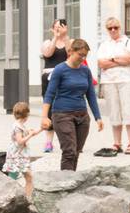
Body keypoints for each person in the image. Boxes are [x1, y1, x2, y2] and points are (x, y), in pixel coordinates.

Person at [41, 38, 103, 172]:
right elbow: (49, 94)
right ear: (71, 52)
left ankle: (71, 180)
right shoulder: (60, 70)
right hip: (62, 115)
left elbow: (91, 95)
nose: (83, 58)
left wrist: (98, 117)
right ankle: (65, 183)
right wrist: (44, 116)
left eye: (85, 55)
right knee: (69, 151)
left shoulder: (85, 70)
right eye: (80, 54)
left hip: (82, 116)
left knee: (76, 152)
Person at [96, 17, 130, 155]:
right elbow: (101, 63)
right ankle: (117, 143)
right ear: (107, 30)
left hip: (128, 80)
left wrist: (112, 59)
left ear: (120, 27)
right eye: (110, 28)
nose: (113, 30)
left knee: (129, 111)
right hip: (109, 82)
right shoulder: (104, 45)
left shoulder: (128, 41)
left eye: (116, 27)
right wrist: (121, 60)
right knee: (114, 112)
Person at [41, 18, 70, 153]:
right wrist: (55, 38)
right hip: (49, 77)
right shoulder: (47, 42)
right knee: (50, 107)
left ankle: (67, 139)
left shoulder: (69, 41)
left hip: (65, 76)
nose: (59, 29)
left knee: (65, 107)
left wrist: (65, 37)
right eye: (56, 27)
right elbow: (48, 53)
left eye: (61, 27)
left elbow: (71, 54)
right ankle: (48, 142)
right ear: (52, 29)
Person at [5, 101, 41, 198]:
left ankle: (27, 198)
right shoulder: (17, 127)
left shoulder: (20, 125)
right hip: (17, 155)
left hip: (20, 155)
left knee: (27, 177)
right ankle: (10, 197)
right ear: (27, 114)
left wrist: (42, 128)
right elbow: (20, 141)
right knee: (14, 178)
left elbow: (32, 132)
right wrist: (30, 135)